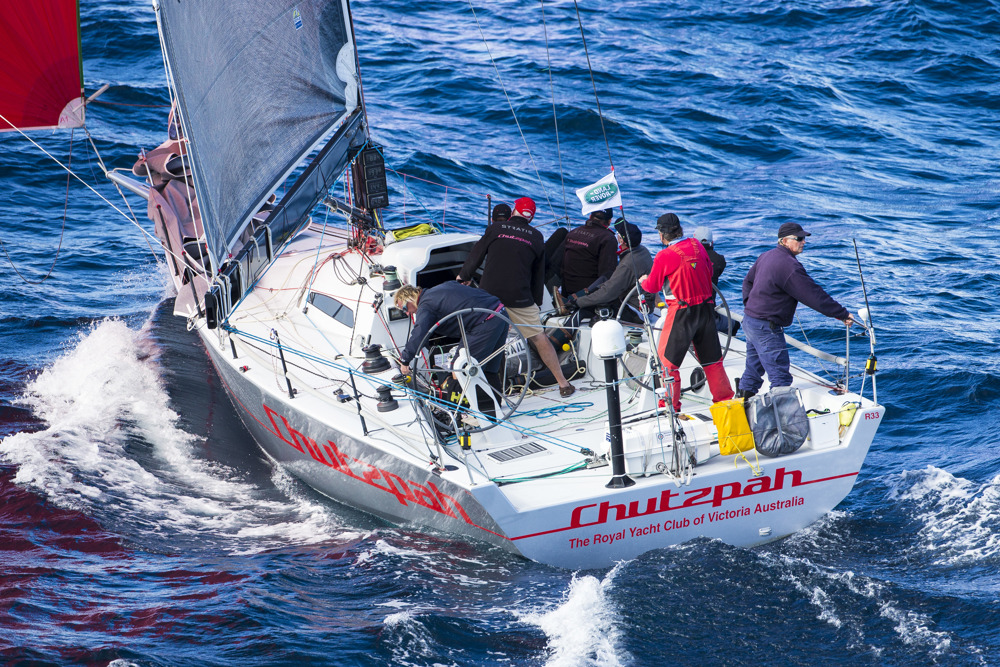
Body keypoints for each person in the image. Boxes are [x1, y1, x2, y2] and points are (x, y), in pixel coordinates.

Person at [456, 197, 576, 397]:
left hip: (489, 298)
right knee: (539, 338)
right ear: (532, 217)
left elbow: (475, 256)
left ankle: (473, 387)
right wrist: (536, 302)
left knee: (485, 338)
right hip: (520, 298)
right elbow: (538, 275)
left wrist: (463, 277)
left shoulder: (495, 229)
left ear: (514, 211)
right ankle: (563, 384)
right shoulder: (536, 236)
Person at [737, 222, 855, 399]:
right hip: (766, 327)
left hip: (750, 321)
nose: (803, 242)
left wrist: (750, 306)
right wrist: (841, 313)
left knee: (752, 372)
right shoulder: (789, 266)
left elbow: (747, 282)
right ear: (784, 241)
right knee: (780, 377)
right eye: (799, 238)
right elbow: (813, 295)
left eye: (804, 238)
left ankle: (740, 408)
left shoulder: (766, 256)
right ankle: (781, 423)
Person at [639, 213, 734, 412]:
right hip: (707, 310)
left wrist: (643, 281)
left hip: (682, 313)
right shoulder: (697, 245)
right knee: (713, 362)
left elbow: (653, 285)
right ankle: (726, 406)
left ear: (662, 235)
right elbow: (708, 270)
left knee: (668, 365)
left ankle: (670, 408)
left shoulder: (665, 255)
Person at [394, 283, 509, 390]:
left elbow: (418, 334)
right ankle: (493, 406)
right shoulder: (440, 288)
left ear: (410, 298)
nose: (407, 313)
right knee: (490, 367)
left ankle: (464, 408)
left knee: (459, 369)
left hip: (484, 323)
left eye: (405, 308)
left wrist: (405, 361)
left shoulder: (425, 306)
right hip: (501, 313)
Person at [568, 218, 653, 322]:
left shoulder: (627, 264)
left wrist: (579, 303)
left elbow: (607, 293)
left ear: (621, 240)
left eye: (617, 233)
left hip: (635, 311)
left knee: (584, 310)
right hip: (646, 306)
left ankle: (572, 302)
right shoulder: (642, 250)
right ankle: (574, 298)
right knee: (606, 276)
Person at [561, 208, 617, 297]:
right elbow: (607, 274)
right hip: (586, 295)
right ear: (609, 221)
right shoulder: (608, 239)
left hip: (566, 290)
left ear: (590, 216)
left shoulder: (572, 232)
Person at [693, 225, 739, 334]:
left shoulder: (687, 257)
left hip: (688, 313)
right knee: (735, 323)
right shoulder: (720, 259)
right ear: (712, 242)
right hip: (708, 315)